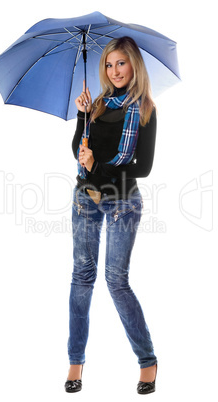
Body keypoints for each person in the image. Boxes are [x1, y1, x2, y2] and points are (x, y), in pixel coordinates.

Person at [65, 36, 158, 395]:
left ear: (133, 65)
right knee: (81, 279)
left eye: (120, 63)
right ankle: (75, 360)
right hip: (84, 198)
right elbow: (79, 149)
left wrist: (97, 165)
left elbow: (144, 167)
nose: (114, 70)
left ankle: (147, 360)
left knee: (116, 282)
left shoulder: (145, 108)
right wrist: (83, 116)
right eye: (108, 64)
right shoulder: (99, 104)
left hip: (122, 203)